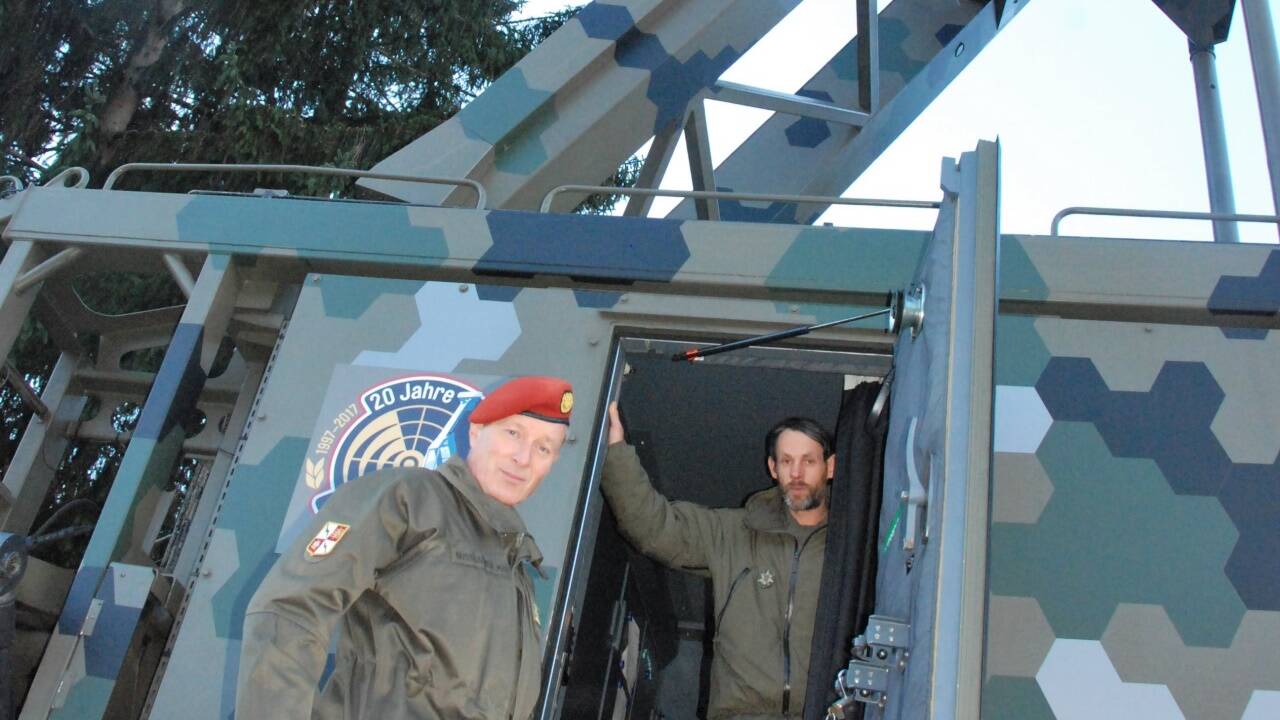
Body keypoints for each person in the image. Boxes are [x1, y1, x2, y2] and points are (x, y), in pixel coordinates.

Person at [236, 376, 575, 720]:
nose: (523, 458)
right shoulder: (409, 498)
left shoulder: (517, 564)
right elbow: (291, 608)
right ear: (476, 431)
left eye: (544, 448)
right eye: (513, 433)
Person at [601, 402, 835, 720]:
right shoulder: (734, 532)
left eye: (808, 461)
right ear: (772, 468)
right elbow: (653, 526)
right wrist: (616, 452)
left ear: (829, 467)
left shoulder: (851, 549)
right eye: (786, 461)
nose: (796, 473)